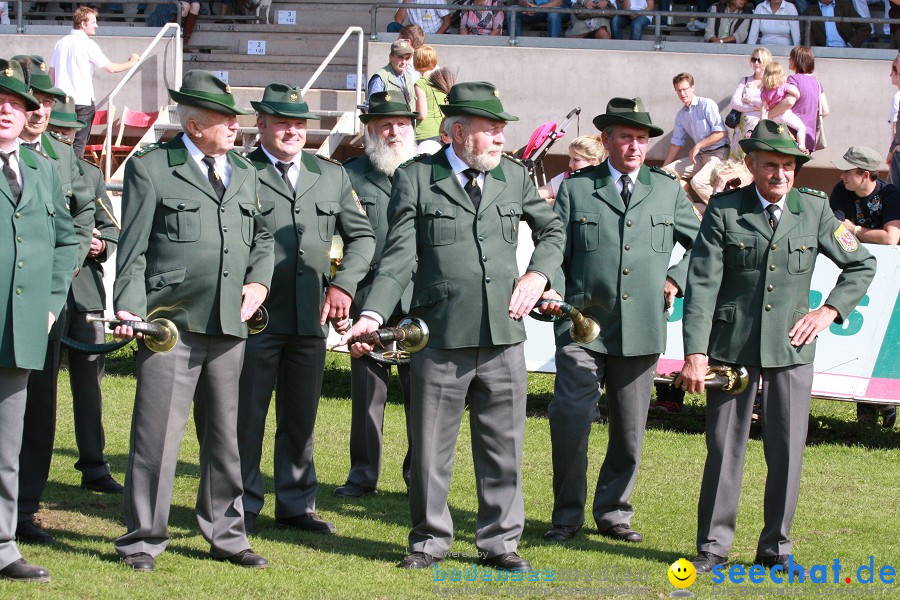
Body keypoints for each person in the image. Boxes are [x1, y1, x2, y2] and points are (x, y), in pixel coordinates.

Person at [340, 81, 565, 571]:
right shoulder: (417, 178)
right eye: (492, 130)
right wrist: (373, 314)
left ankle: (501, 543)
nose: (502, 139)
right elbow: (398, 257)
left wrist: (538, 273)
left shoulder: (514, 177)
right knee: (430, 452)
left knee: (504, 449)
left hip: (503, 338)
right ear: (458, 132)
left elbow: (553, 229)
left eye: (502, 130)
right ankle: (428, 541)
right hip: (438, 337)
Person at [677, 120, 877, 575]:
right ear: (751, 164)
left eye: (788, 166)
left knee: (786, 450)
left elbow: (861, 264)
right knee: (724, 448)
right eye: (771, 165)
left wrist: (829, 311)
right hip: (732, 347)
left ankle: (777, 548)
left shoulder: (816, 211)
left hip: (792, 348)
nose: (780, 174)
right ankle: (712, 546)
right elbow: (702, 284)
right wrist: (695, 352)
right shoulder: (725, 210)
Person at [112, 70, 274, 572]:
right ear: (197, 123)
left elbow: (263, 237)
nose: (236, 127)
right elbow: (133, 248)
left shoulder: (245, 172)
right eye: (226, 119)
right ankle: (142, 539)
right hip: (170, 326)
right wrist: (128, 309)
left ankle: (227, 534)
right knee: (156, 437)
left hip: (229, 324)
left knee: (227, 436)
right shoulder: (154, 168)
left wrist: (259, 282)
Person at [539, 97, 700, 545]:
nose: (634, 146)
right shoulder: (576, 188)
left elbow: (705, 247)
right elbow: (555, 245)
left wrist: (676, 277)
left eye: (642, 138)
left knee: (629, 432)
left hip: (642, 328)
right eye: (625, 137)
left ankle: (613, 512)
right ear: (606, 140)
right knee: (570, 419)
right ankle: (566, 515)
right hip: (581, 327)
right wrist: (548, 283)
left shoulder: (667, 190)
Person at [236, 84, 375, 537]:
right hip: (253, 319)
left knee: (300, 418)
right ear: (261, 124)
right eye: (282, 122)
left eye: (299, 123)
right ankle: (240, 504)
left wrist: (344, 286)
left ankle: (296, 503)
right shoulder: (239, 170)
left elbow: (363, 239)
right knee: (245, 416)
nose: (293, 131)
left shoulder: (330, 175)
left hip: (309, 318)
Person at [14, 56, 103, 546]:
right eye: (33, 102)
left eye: (46, 102)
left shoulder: (62, 157)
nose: (39, 111)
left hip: (46, 301)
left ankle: (26, 508)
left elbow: (79, 223)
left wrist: (54, 290)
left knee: (39, 405)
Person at [0, 58, 78, 584]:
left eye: (15, 106)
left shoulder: (42, 169)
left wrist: (51, 302)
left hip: (22, 328)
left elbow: (66, 239)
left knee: (7, 446)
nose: (6, 112)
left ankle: (2, 546)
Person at [335, 92, 419, 499]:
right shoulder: (348, 177)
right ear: (369, 131)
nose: (394, 131)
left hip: (419, 302)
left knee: (424, 396)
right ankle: (362, 475)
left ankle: (418, 475)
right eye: (385, 124)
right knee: (368, 394)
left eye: (402, 124)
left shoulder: (428, 174)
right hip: (369, 299)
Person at [47, 95, 124, 498]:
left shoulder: (89, 174)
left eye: (69, 132)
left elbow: (111, 227)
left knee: (89, 386)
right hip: (46, 289)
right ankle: (29, 464)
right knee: (36, 384)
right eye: (56, 131)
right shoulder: (38, 168)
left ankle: (94, 465)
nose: (64, 138)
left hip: (84, 292)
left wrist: (101, 246)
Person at [829, 146, 899, 428]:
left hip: (889, 279)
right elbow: (833, 230)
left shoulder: (891, 195)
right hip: (855, 273)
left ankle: (885, 400)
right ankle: (865, 412)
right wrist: (855, 235)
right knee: (859, 340)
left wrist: (855, 230)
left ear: (865, 174)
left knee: (881, 340)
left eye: (848, 171)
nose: (842, 175)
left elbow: (891, 238)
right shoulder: (840, 191)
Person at [48, 6, 140, 158]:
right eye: (93, 22)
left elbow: (51, 75)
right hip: (82, 102)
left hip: (61, 102)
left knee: (58, 142)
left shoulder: (61, 43)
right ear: (83, 24)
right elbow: (110, 68)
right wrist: (131, 62)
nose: (96, 25)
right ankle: (74, 177)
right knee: (78, 144)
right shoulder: (88, 44)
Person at [662, 72, 730, 208]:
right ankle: (692, 211)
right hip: (700, 157)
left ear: (692, 87)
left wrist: (698, 145)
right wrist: (662, 169)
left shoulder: (706, 104)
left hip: (718, 155)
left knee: (697, 182)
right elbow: (676, 143)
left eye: (685, 89)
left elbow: (721, 133)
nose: (683, 94)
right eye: (679, 90)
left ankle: (723, 210)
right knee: (666, 174)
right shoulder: (681, 115)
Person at [770, 46, 828, 155]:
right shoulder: (817, 83)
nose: (788, 60)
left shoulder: (793, 79)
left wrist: (770, 115)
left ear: (797, 60)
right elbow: (825, 111)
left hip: (790, 135)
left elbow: (789, 102)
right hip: (809, 139)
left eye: (790, 58)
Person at [538, 134, 606, 203]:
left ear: (593, 161)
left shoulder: (607, 182)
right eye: (570, 158)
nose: (570, 164)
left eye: (576, 159)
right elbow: (533, 197)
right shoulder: (564, 178)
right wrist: (558, 204)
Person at [729, 47, 773, 150]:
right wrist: (755, 108)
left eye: (759, 60)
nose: (756, 63)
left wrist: (750, 100)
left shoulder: (772, 82)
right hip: (742, 125)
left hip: (761, 126)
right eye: (754, 60)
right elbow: (734, 103)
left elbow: (770, 104)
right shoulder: (745, 80)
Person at [413, 45, 455, 154]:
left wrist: (409, 114)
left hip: (425, 132)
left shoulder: (420, 83)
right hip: (442, 130)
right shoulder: (443, 81)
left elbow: (422, 114)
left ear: (416, 62)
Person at [759, 62, 807, 153]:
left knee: (777, 134)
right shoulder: (784, 86)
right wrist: (796, 97)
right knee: (801, 128)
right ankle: (801, 146)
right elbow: (796, 92)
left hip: (773, 117)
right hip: (784, 114)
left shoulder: (764, 91)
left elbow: (763, 106)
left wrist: (762, 120)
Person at [367, 39, 417, 113]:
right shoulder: (380, 78)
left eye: (407, 58)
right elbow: (371, 108)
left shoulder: (408, 78)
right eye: (400, 57)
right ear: (391, 57)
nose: (404, 62)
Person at [803, 0, 869, 48]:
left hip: (844, 50)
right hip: (822, 53)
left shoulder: (845, 6)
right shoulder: (809, 12)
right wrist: (814, 52)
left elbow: (865, 27)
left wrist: (851, 45)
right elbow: (806, 36)